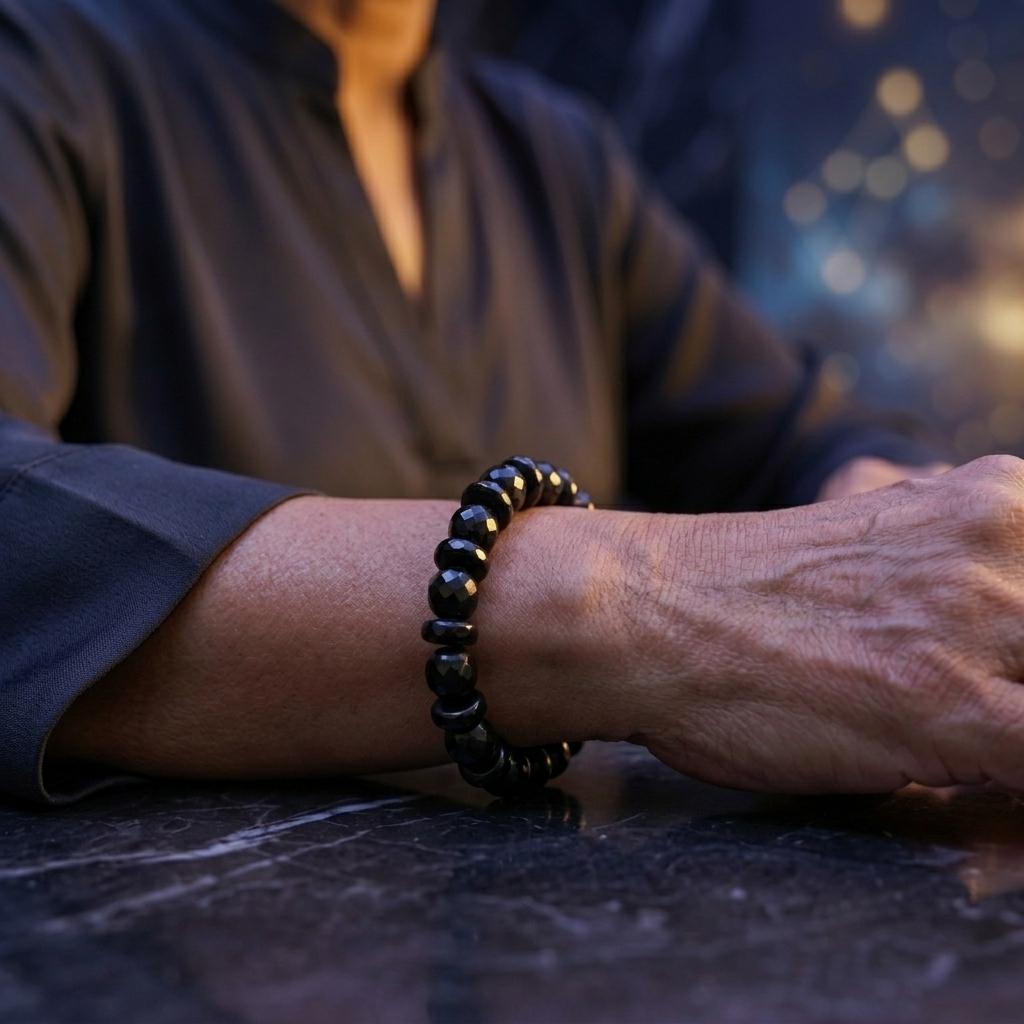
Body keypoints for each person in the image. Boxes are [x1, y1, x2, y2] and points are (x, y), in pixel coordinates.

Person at [5, 0, 1023, 808]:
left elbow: (801, 436)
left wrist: (915, 558)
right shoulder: (43, 66)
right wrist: (642, 611)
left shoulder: (551, 156)